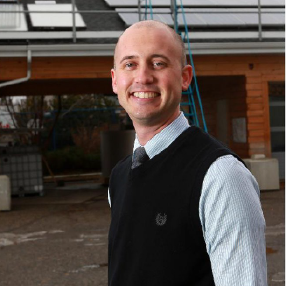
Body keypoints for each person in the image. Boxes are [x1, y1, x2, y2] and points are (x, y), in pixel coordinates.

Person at [108, 20, 267, 286]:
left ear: (184, 77)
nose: (143, 77)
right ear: (115, 80)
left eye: (158, 63)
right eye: (130, 64)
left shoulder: (221, 176)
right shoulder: (120, 176)